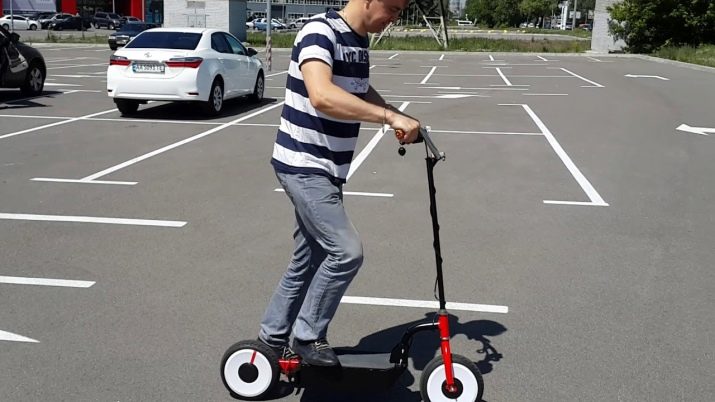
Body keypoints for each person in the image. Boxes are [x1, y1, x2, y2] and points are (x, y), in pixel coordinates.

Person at [258, 0, 420, 366]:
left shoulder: (357, 40)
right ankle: (307, 336)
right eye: (392, 9)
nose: (394, 19)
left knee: (308, 258)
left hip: (327, 168)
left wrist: (397, 115)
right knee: (346, 251)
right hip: (304, 164)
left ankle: (271, 340)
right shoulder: (320, 31)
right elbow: (322, 94)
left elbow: (357, 89)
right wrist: (388, 117)